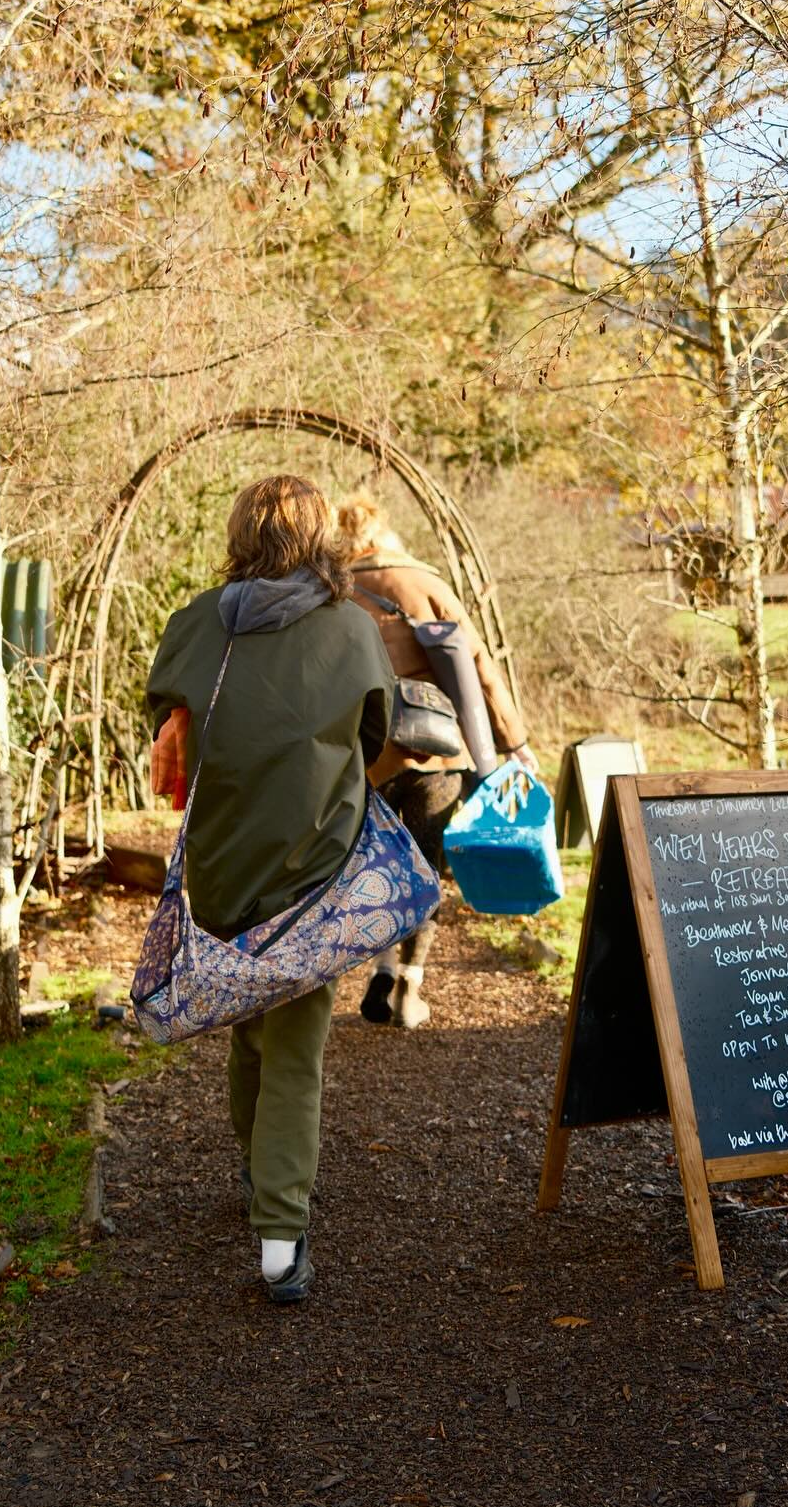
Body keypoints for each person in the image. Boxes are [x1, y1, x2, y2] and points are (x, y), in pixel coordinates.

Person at [146, 475, 394, 1304]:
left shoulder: (193, 623)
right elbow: (377, 732)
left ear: (239, 534)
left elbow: (163, 717)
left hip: (220, 871)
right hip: (309, 876)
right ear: (322, 539)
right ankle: (280, 1243)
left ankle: (258, 1179)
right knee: (293, 1047)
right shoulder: (351, 631)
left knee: (250, 1027)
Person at [337, 494, 533, 1030]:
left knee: (376, 867)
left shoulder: (333, 595)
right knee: (425, 868)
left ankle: (379, 969)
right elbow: (481, 670)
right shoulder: (427, 583)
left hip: (364, 759)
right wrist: (514, 741)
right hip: (436, 755)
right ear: (385, 533)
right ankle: (409, 986)